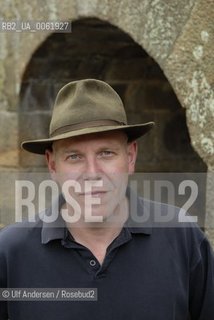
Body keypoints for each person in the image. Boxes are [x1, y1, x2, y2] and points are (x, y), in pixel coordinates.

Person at [0, 79, 214, 319]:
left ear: (130, 156)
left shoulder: (183, 237)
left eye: (106, 153)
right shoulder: (10, 252)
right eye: (74, 157)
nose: (92, 173)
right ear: (52, 165)